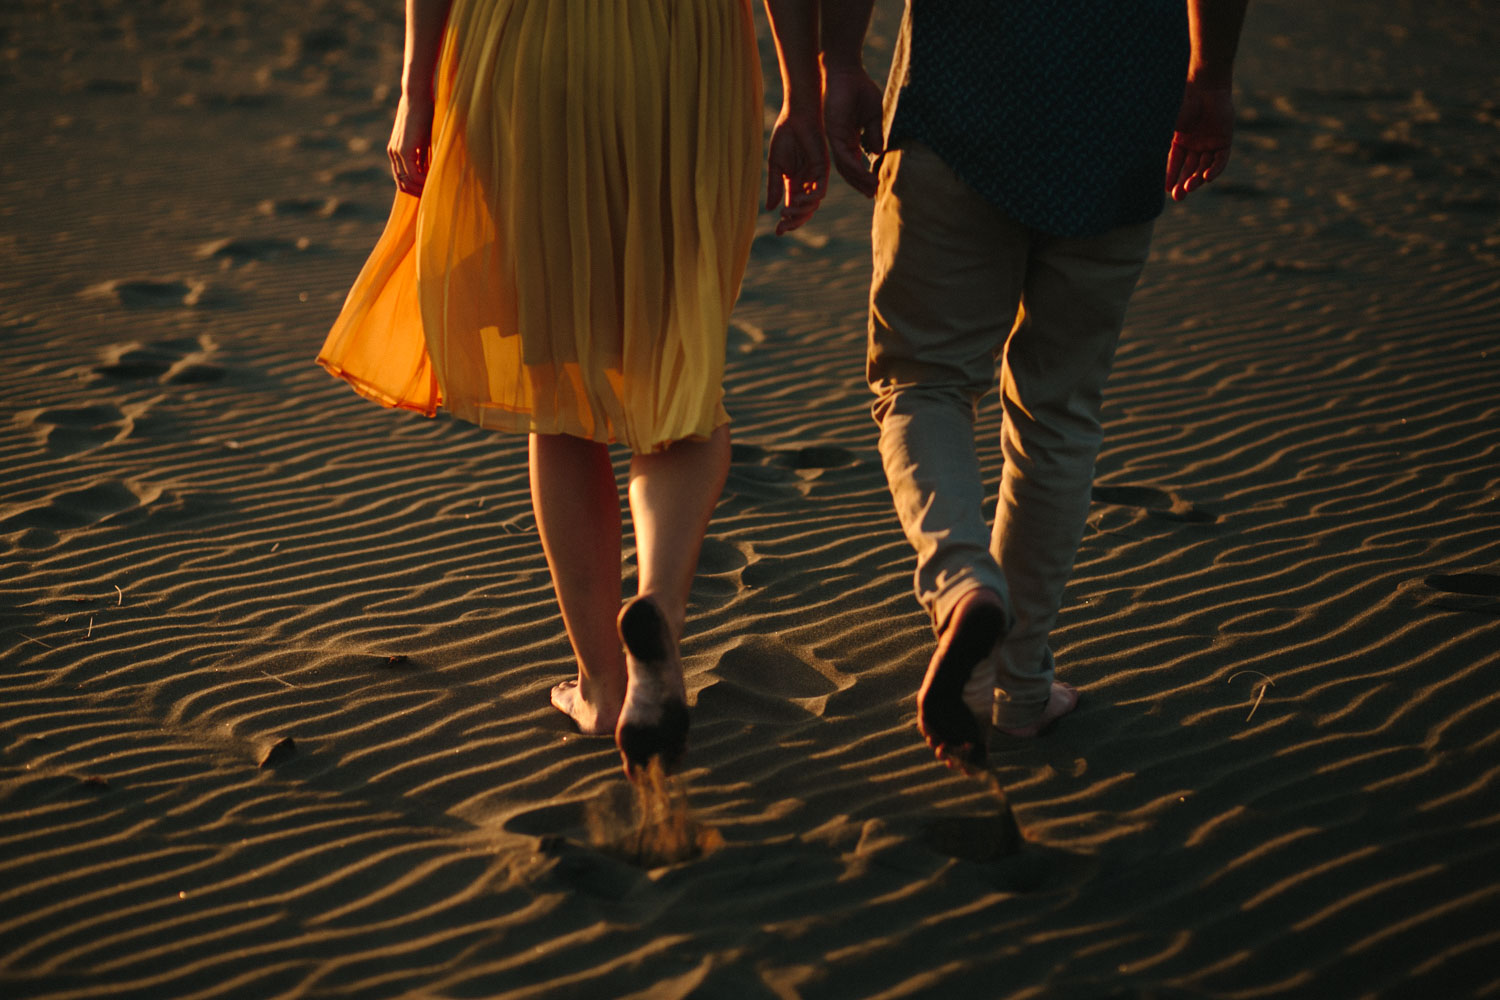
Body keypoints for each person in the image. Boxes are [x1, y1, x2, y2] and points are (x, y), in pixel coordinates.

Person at [316, 0, 829, 778]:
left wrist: (417, 90)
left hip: (528, 48)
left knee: (559, 388)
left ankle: (602, 683)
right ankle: (656, 604)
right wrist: (803, 97)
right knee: (678, 370)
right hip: (683, 58)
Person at [818, 0, 1249, 766]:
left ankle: (962, 582)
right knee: (1059, 412)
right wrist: (1211, 72)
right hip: (1120, 119)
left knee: (925, 381)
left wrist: (840, 62)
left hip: (960, 106)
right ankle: (1016, 689)